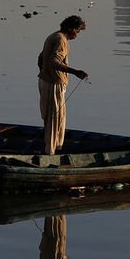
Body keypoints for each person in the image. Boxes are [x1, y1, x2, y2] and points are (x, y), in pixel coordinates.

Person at [37, 15, 89, 155]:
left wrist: (43, 72)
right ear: (71, 29)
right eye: (77, 32)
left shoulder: (53, 36)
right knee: (55, 119)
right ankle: (51, 153)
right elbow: (54, 61)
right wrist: (75, 72)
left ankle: (54, 149)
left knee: (53, 118)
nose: (77, 35)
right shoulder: (61, 40)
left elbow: (41, 58)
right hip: (53, 84)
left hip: (45, 81)